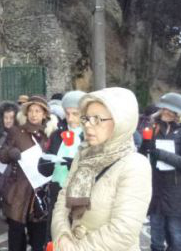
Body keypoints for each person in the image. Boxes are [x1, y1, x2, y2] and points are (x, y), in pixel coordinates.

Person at [51, 87, 152, 250]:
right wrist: (62, 236)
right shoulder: (83, 154)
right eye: (86, 118)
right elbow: (63, 199)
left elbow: (123, 231)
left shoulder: (134, 165)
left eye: (97, 119)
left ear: (121, 121)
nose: (88, 126)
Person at [141, 93, 181, 251]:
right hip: (156, 188)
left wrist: (161, 154)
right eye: (164, 109)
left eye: (171, 110)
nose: (166, 113)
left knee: (176, 234)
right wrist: (145, 147)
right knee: (156, 233)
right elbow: (144, 156)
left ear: (179, 113)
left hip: (177, 191)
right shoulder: (154, 128)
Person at [0, 95, 54, 251]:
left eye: (38, 111)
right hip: (19, 192)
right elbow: (2, 155)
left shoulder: (49, 135)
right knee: (16, 237)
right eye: (31, 111)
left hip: (40, 193)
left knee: (38, 239)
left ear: (44, 115)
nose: (34, 114)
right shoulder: (16, 132)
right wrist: (10, 152)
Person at [37, 90, 85, 242]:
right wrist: (45, 163)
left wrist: (74, 164)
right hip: (57, 190)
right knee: (55, 233)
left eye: (75, 114)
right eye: (67, 113)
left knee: (76, 236)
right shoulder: (57, 134)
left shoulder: (89, 134)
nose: (70, 119)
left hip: (80, 193)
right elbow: (45, 165)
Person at [0, 101, 20, 219]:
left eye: (11, 118)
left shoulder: (18, 134)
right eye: (5, 117)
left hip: (13, 173)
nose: (8, 120)